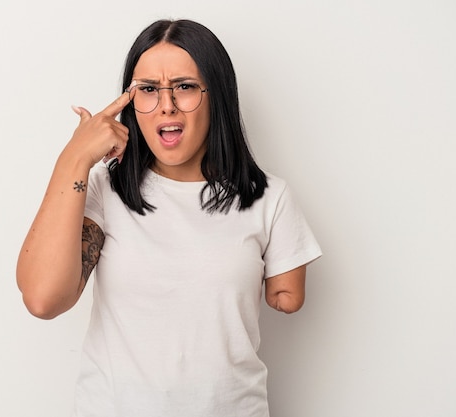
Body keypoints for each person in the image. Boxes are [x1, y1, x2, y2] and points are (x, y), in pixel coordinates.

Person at [17, 18, 322, 417]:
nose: (166, 105)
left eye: (184, 86)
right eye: (147, 90)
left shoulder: (268, 197)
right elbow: (43, 298)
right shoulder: (106, 191)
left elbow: (287, 295)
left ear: (218, 95)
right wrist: (74, 159)